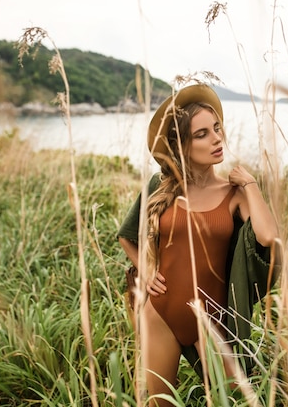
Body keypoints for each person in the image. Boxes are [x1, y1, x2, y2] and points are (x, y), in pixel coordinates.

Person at [117, 83, 279, 406]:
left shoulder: (233, 194)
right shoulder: (160, 187)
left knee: (231, 401)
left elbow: (267, 237)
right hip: (160, 314)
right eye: (202, 134)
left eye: (217, 128)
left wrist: (250, 185)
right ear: (183, 145)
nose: (217, 138)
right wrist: (146, 268)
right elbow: (127, 235)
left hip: (213, 322)